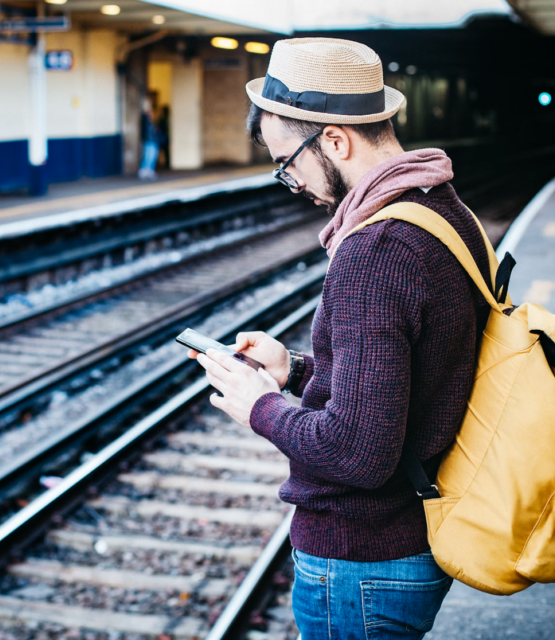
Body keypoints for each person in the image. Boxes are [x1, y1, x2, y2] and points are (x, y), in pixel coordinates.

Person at [189, 38, 491, 639]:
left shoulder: (373, 252)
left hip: (362, 559)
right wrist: (295, 369)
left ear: (334, 140)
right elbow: (418, 372)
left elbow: (357, 451)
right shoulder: (444, 209)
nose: (292, 182)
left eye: (289, 163)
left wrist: (259, 407)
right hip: (409, 539)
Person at [138, 97, 160, 179]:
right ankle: (144, 170)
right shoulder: (145, 118)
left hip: (152, 140)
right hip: (149, 140)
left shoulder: (150, 122)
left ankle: (148, 170)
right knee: (149, 155)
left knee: (151, 155)